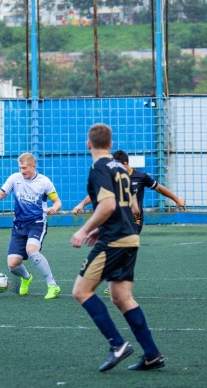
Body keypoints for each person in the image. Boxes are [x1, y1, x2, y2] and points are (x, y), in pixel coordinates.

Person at [71, 123, 164, 372]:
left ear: (88, 144)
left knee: (81, 291)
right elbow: (133, 206)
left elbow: (108, 205)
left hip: (114, 240)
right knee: (121, 297)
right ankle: (152, 354)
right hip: (130, 236)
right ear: (111, 144)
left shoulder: (99, 168)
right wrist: (103, 227)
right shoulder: (121, 169)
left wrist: (85, 229)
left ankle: (117, 345)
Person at [72, 149, 186, 294]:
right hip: (115, 220)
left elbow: (159, 188)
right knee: (112, 249)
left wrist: (176, 199)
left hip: (134, 222)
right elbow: (97, 193)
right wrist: (81, 204)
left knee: (124, 249)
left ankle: (116, 282)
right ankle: (114, 279)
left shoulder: (141, 177)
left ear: (125, 164)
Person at [0, 152, 62, 300]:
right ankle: (26, 278)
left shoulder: (44, 182)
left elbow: (57, 201)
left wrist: (54, 208)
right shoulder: (15, 179)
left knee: (32, 250)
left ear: (33, 166)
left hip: (37, 223)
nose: (22, 171)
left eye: (25, 168)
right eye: (20, 168)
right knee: (13, 265)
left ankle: (53, 285)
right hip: (19, 226)